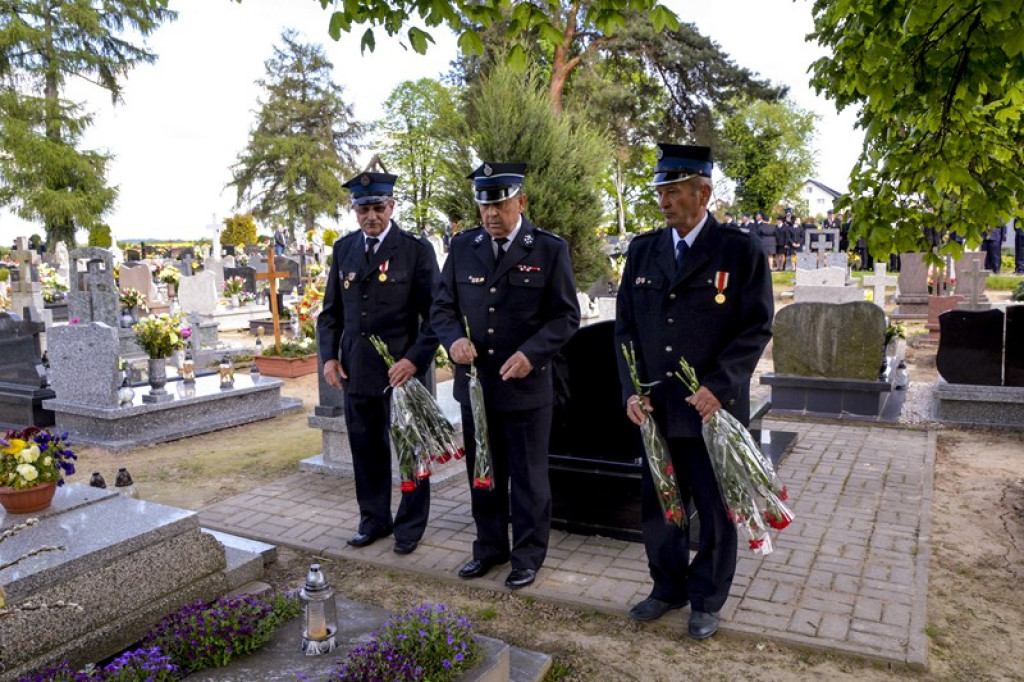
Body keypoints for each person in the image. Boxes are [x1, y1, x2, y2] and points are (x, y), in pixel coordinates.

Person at [613, 143, 773, 640]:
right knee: (661, 504)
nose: (664, 200)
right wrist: (630, 390)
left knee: (717, 508)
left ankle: (706, 598)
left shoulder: (738, 250)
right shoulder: (644, 250)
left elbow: (756, 327)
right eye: (661, 191)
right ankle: (667, 588)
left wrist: (719, 387)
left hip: (711, 411)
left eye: (674, 191)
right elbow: (625, 330)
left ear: (703, 192)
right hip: (657, 410)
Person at [431, 162, 580, 590]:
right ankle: (489, 547)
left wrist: (532, 354)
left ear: (520, 201)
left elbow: (566, 316)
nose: (490, 214)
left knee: (529, 478)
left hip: (527, 386)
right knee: (484, 471)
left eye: (498, 204)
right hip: (477, 388)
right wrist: (454, 340)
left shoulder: (548, 249)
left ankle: (528, 556)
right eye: (483, 205)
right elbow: (442, 308)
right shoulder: (463, 248)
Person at [318, 171, 440, 555]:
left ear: (391, 206)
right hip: (357, 371)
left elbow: (436, 315)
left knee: (409, 450)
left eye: (379, 207)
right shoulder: (344, 249)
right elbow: (330, 314)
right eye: (364, 209)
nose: (372, 216)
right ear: (354, 210)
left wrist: (413, 361)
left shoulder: (415, 250)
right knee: (365, 448)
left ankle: (410, 526)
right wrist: (329, 358)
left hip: (401, 372)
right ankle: (373, 520)